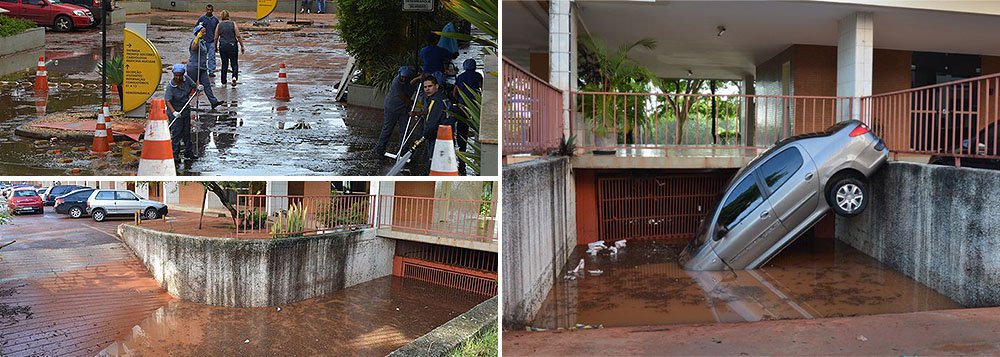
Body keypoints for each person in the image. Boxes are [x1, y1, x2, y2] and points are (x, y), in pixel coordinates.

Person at [374, 66, 419, 157]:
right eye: (402, 77)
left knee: (405, 130)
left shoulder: (409, 81)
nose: (403, 79)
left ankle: (403, 151)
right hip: (392, 108)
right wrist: (415, 104)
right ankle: (380, 149)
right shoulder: (396, 82)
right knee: (388, 128)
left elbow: (412, 83)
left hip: (404, 109)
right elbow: (405, 99)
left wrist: (418, 78)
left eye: (406, 77)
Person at [452, 59, 482, 175]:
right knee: (476, 128)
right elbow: (482, 88)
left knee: (462, 129)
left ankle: (462, 151)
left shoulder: (460, 77)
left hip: (462, 106)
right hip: (475, 106)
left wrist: (457, 101)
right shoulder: (478, 76)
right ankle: (471, 159)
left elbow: (455, 91)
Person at [417, 75, 452, 174]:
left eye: (430, 86)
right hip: (444, 136)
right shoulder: (442, 98)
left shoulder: (436, 101)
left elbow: (432, 123)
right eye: (425, 87)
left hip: (437, 137)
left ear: (436, 86)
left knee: (433, 163)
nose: (427, 89)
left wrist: (425, 136)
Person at [165, 64, 199, 161]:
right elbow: (167, 101)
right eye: (176, 75)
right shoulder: (171, 87)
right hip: (175, 111)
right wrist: (174, 112)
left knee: (186, 132)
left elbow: (194, 86)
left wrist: (198, 88)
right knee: (177, 132)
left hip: (185, 110)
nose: (178, 77)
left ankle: (188, 152)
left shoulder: (186, 79)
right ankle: (175, 153)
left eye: (180, 75)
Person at [188, 24, 222, 110]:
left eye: (204, 32)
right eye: (203, 32)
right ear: (198, 33)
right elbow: (193, 48)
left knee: (207, 86)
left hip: (202, 68)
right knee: (189, 86)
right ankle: (183, 102)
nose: (204, 33)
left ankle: (213, 102)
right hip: (194, 67)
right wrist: (197, 38)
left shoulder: (203, 42)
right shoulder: (195, 41)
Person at [214, 10, 245, 87]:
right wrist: (242, 46)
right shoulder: (233, 24)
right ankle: (234, 77)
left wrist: (215, 47)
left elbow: (215, 37)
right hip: (232, 46)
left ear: (221, 16)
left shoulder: (219, 25)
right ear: (228, 16)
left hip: (223, 46)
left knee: (224, 64)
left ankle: (223, 82)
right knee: (234, 63)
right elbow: (238, 35)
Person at [196, 5, 220, 77]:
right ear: (206, 10)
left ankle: (211, 71)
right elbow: (196, 28)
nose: (209, 11)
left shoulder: (215, 19)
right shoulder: (202, 19)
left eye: (210, 10)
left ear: (213, 10)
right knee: (202, 56)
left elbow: (218, 30)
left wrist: (216, 40)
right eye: (207, 10)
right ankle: (202, 70)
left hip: (212, 40)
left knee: (212, 56)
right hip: (203, 41)